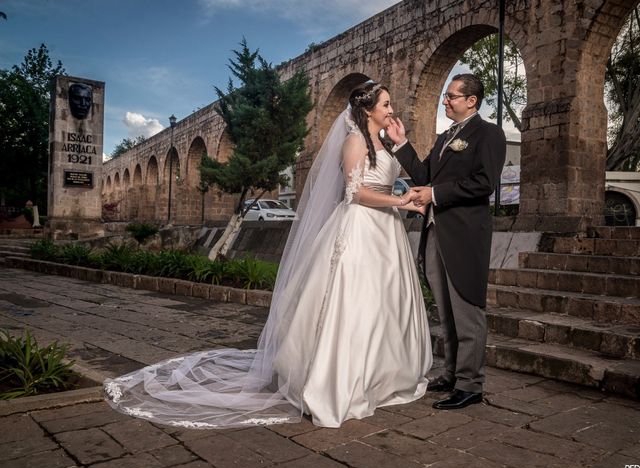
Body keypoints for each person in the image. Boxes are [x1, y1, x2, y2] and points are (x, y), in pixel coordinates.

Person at [104, 81, 432, 428]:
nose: (391, 109)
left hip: (386, 232)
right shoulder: (353, 141)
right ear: (368, 110)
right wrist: (400, 201)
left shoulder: (382, 143)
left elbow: (387, 179)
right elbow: (354, 191)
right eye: (385, 104)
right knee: (354, 301)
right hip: (360, 228)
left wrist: (402, 170)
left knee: (384, 303)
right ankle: (339, 378)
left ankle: (383, 375)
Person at [386, 73, 506, 410]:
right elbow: (424, 176)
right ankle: (453, 373)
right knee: (447, 310)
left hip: (466, 236)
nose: (445, 100)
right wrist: (400, 144)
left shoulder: (488, 134)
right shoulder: (443, 139)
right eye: (446, 96)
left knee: (468, 309)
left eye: (451, 96)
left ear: (471, 101)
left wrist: (436, 193)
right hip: (436, 233)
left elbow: (484, 183)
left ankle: (471, 384)